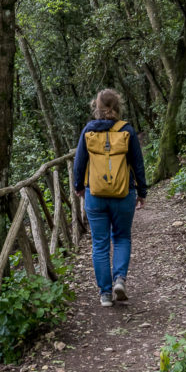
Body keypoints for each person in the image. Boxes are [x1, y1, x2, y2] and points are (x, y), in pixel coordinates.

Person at [72, 88, 147, 307]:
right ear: (118, 106)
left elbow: (79, 163)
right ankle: (120, 280)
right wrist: (142, 192)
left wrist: (79, 187)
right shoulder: (127, 131)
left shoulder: (88, 131)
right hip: (123, 193)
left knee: (100, 244)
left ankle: (105, 294)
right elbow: (137, 163)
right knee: (122, 237)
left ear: (97, 107)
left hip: (95, 195)